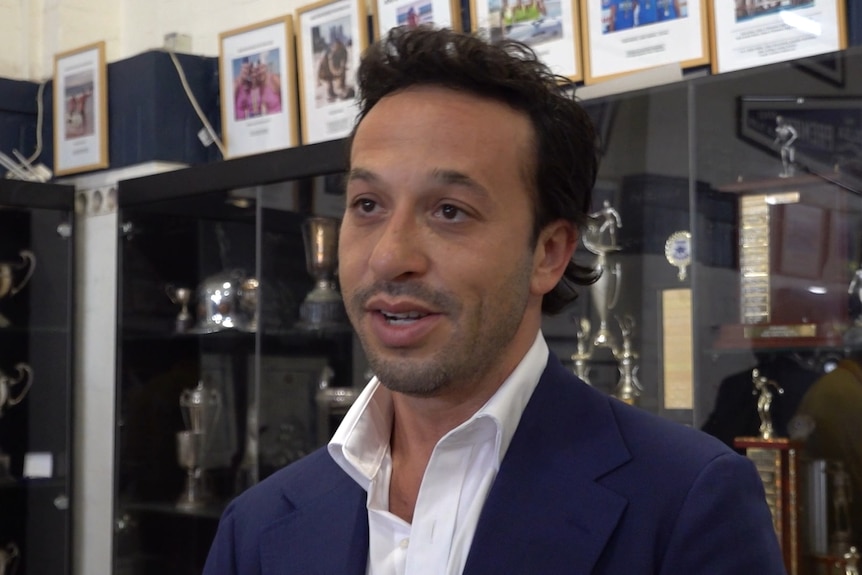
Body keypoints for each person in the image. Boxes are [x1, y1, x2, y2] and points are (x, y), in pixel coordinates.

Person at [203, 26, 785, 574]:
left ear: (549, 253)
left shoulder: (688, 501)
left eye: (449, 211)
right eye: (368, 205)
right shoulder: (257, 527)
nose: (388, 256)